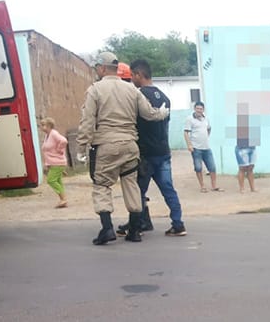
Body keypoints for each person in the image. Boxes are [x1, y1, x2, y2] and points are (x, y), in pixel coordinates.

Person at [76, 51, 169, 245]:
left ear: (102, 68)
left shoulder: (95, 89)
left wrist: (82, 146)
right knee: (131, 184)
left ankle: (107, 228)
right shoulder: (131, 90)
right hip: (129, 145)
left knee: (102, 185)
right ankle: (135, 230)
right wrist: (162, 113)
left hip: (106, 146)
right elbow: (150, 114)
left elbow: (87, 122)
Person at [115, 59, 186, 237]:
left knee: (137, 191)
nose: (131, 79)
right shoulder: (166, 99)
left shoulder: (137, 96)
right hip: (163, 152)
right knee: (168, 189)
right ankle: (178, 224)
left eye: (132, 75)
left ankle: (137, 224)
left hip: (145, 154)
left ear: (139, 75)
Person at [184, 101, 221, 192]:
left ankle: (214, 185)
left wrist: (206, 137)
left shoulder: (206, 118)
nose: (199, 110)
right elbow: (186, 133)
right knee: (198, 167)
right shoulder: (190, 119)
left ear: (203, 110)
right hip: (196, 148)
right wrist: (189, 145)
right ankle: (202, 186)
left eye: (201, 109)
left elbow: (209, 128)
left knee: (212, 167)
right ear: (194, 109)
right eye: (197, 108)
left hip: (206, 147)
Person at [39, 117, 69, 208]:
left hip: (57, 162)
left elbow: (63, 141)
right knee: (58, 181)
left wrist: (59, 150)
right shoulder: (47, 135)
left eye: (43, 125)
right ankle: (63, 200)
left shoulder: (54, 134)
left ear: (49, 126)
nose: (41, 127)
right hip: (54, 163)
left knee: (51, 180)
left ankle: (63, 199)